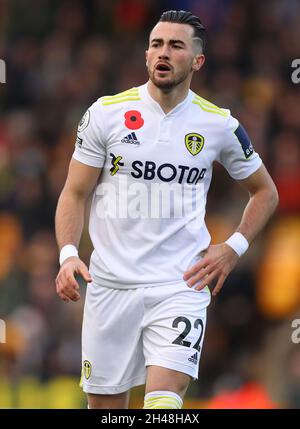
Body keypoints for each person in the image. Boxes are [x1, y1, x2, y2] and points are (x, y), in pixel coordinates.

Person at [55, 10, 279, 409]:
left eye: (176, 45)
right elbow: (74, 193)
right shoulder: (106, 113)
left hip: (180, 285)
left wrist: (233, 248)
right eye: (157, 44)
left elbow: (265, 192)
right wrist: (68, 254)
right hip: (110, 286)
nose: (163, 52)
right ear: (145, 56)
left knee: (164, 401)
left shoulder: (219, 125)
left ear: (197, 61)